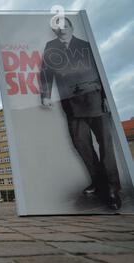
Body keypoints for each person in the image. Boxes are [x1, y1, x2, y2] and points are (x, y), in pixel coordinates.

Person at [40, 17, 122, 210]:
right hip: (71, 103)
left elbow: (99, 71)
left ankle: (112, 188)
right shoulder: (50, 47)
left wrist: (106, 97)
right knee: (81, 144)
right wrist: (45, 95)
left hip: (94, 98)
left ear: (71, 27)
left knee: (106, 145)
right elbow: (45, 73)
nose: (62, 30)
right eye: (58, 28)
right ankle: (99, 182)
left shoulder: (85, 45)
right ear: (55, 31)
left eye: (65, 26)